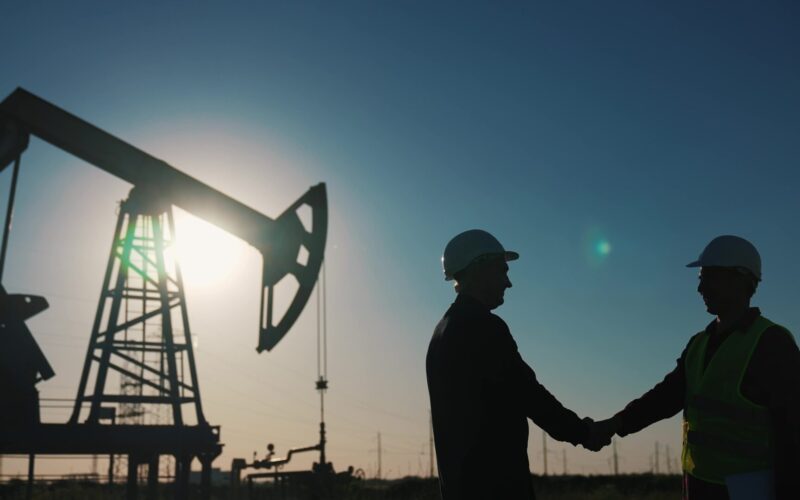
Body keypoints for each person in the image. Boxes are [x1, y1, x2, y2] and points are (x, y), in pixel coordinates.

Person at [593, 235, 800, 499]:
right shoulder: (699, 343)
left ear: (740, 279)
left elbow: (793, 436)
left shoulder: (772, 343)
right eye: (700, 279)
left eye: (708, 277)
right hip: (699, 486)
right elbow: (668, 396)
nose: (700, 289)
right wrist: (617, 423)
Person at [426, 229, 609, 500]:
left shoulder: (442, 331)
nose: (508, 282)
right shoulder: (483, 328)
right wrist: (583, 432)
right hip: (495, 487)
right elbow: (528, 394)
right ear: (480, 269)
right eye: (502, 271)